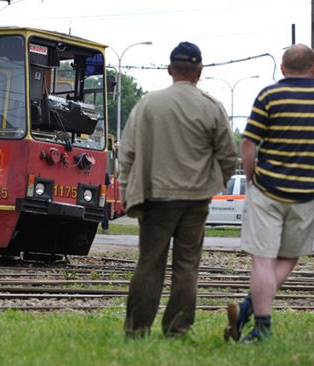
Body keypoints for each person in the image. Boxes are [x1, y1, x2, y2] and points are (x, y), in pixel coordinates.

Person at [223, 44, 314, 343]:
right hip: (306, 194)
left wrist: (251, 180)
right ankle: (251, 309)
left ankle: (260, 325)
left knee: (262, 259)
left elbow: (249, 144)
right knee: (289, 257)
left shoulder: (269, 96)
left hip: (267, 190)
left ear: (283, 69)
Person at [119, 41, 237, 338]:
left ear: (170, 69)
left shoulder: (148, 103)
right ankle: (177, 330)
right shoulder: (212, 108)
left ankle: (136, 330)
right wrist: (213, 185)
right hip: (195, 200)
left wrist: (126, 191)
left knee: (149, 263)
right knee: (187, 267)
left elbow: (128, 153)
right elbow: (227, 156)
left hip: (156, 197)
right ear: (199, 71)